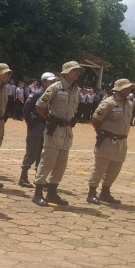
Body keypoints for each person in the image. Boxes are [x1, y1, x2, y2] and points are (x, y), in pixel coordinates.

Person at [32, 61, 83, 207]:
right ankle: (38, 193)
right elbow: (40, 105)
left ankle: (52, 193)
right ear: (66, 72)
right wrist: (49, 119)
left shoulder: (75, 89)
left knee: (61, 163)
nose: (77, 73)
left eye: (78, 71)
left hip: (67, 130)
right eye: (75, 70)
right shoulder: (55, 87)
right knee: (47, 161)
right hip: (55, 129)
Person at [86, 78, 134, 205]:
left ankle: (105, 192)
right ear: (119, 89)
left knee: (115, 168)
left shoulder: (129, 104)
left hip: (122, 141)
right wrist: (101, 132)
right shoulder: (108, 102)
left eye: (130, 88)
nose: (129, 90)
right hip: (107, 140)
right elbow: (96, 119)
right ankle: (91, 193)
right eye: (126, 88)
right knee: (100, 167)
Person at [19, 72, 56, 188]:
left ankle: (39, 178)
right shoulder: (37, 93)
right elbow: (26, 109)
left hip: (46, 125)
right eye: (50, 81)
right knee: (32, 152)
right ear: (44, 81)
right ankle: (23, 177)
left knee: (42, 153)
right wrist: (30, 123)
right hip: (36, 125)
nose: (53, 83)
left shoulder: (53, 94)